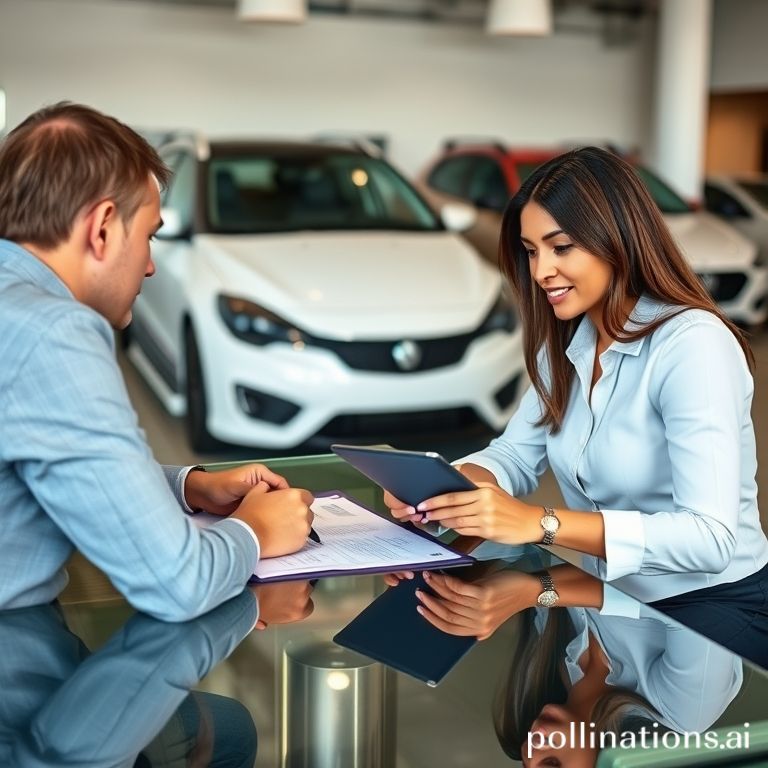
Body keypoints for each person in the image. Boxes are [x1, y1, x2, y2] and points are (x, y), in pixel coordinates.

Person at [386, 146, 768, 617]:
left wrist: (538, 524)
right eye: (531, 251)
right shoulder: (570, 342)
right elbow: (513, 455)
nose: (542, 271)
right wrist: (446, 491)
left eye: (561, 247)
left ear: (619, 239)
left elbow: (709, 538)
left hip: (712, 609)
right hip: (609, 599)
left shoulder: (693, 346)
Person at [0, 102, 314, 621]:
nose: (149, 266)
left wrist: (188, 487)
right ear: (101, 228)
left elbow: (52, 461)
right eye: (148, 234)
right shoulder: (53, 332)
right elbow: (177, 584)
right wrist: (257, 532)